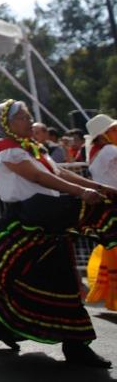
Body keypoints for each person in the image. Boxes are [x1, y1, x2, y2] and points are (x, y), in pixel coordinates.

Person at [0, 100, 117, 368]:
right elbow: (38, 178)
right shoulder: (6, 150)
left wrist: (100, 187)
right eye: (23, 117)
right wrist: (82, 193)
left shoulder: (33, 149)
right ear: (8, 124)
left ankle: (77, 347)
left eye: (28, 116)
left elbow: (59, 172)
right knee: (0, 278)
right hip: (25, 223)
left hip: (49, 222)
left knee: (62, 283)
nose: (29, 120)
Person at [85, 113, 117, 311]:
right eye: (113, 130)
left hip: (107, 207)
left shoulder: (96, 153)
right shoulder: (109, 151)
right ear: (104, 134)